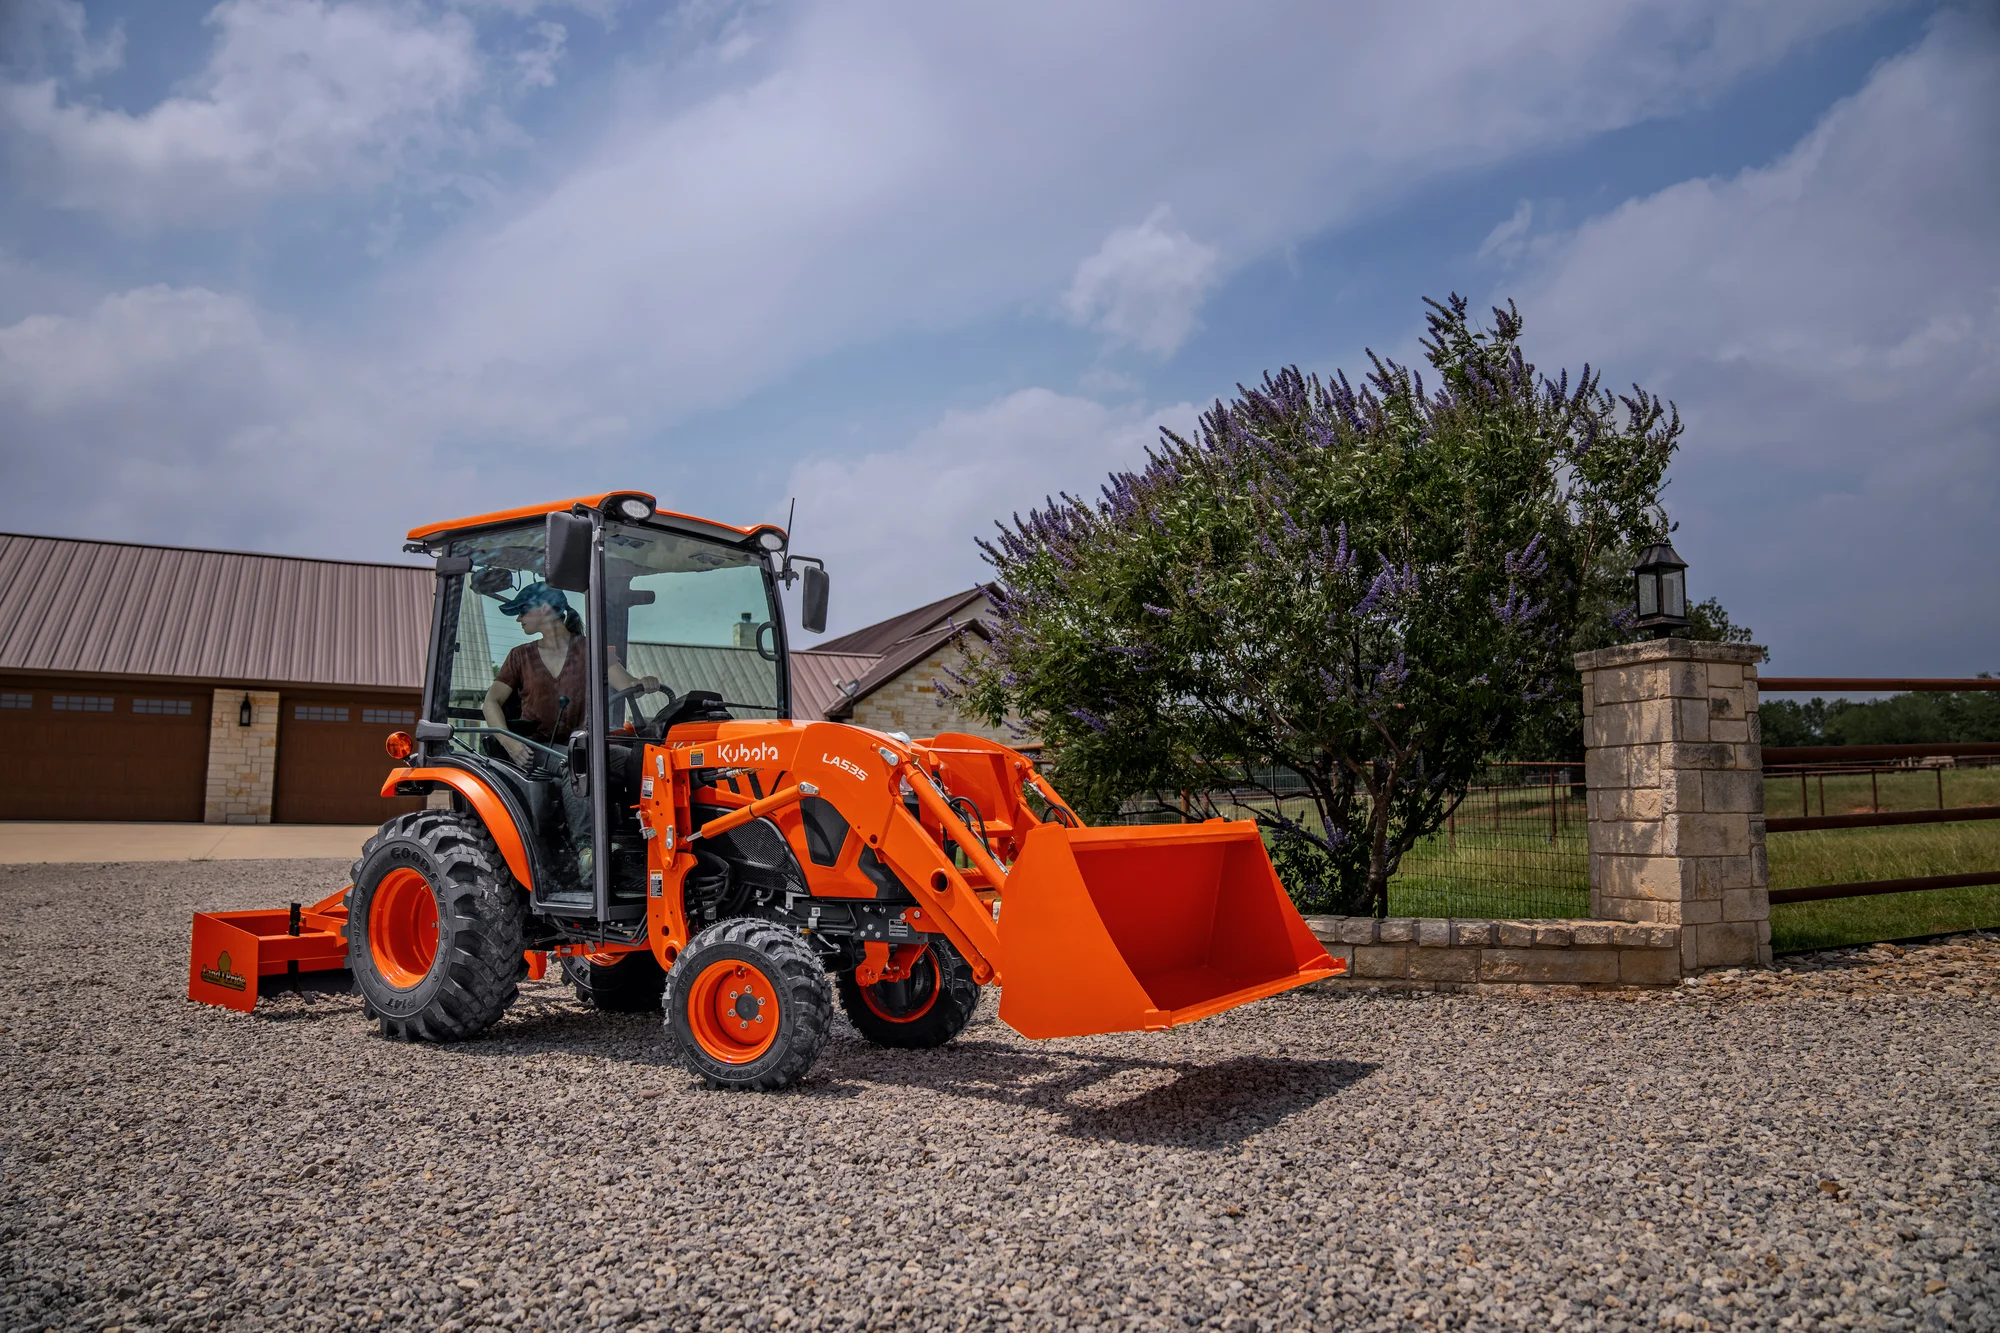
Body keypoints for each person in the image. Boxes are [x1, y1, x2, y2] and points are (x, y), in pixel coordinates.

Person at [482, 583, 660, 765]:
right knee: (576, 766)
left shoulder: (592, 649)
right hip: (536, 747)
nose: (518, 619)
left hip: (581, 746)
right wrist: (510, 743)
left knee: (639, 761)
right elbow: (490, 702)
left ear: (544, 608)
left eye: (522, 611)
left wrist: (644, 683)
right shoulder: (519, 655)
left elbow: (629, 687)